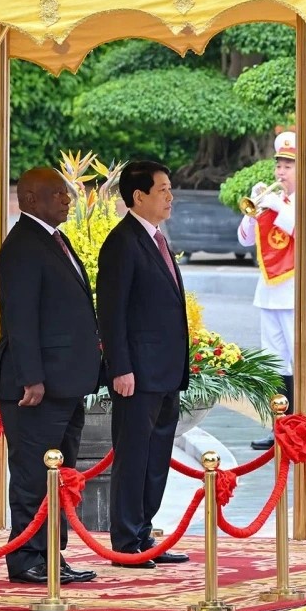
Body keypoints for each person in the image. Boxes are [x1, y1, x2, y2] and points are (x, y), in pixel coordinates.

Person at [0, 166, 100, 586]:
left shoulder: (55, 240)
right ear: (31, 199)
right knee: (33, 476)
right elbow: (20, 319)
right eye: (58, 194)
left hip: (65, 383)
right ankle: (26, 559)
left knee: (60, 475)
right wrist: (31, 378)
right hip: (36, 386)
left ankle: (52, 554)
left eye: (67, 193)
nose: (67, 200)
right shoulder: (22, 245)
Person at [97, 160, 191, 567]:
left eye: (170, 189)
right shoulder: (122, 242)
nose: (170, 197)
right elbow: (111, 312)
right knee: (134, 457)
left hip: (165, 372)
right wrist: (120, 367)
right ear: (138, 196)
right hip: (137, 373)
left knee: (155, 459)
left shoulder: (156, 238)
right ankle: (125, 540)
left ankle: (145, 534)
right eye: (162, 189)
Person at [238, 132, 306, 450]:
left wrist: (279, 206)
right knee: (275, 361)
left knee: (302, 360)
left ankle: (301, 426)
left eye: (288, 166)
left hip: (301, 290)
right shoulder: (269, 200)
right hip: (269, 290)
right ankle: (278, 426)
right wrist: (254, 212)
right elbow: (244, 239)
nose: (281, 172)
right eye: (279, 165)